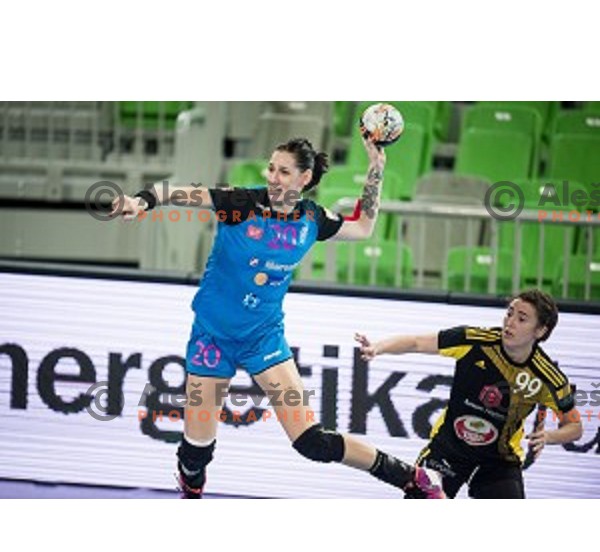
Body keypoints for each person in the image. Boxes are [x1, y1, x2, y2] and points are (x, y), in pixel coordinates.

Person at [110, 136, 445, 499]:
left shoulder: (311, 219)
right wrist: (139, 201)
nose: (273, 177)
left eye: (284, 171)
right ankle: (190, 480)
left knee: (311, 441)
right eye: (271, 168)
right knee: (196, 453)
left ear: (304, 178)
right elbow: (174, 193)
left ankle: (412, 478)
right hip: (212, 338)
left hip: (263, 339)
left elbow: (363, 226)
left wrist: (376, 169)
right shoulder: (240, 202)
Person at [355, 289, 583, 499]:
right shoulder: (475, 341)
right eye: (509, 313)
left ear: (541, 331)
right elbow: (416, 343)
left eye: (521, 319)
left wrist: (549, 437)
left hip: (499, 460)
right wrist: (378, 347)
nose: (510, 323)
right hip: (449, 448)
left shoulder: (547, 378)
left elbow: (575, 428)